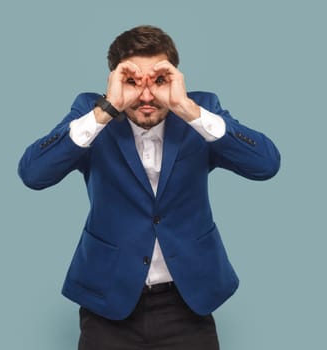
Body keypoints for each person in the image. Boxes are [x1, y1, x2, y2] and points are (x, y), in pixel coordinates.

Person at [18, 25, 280, 350]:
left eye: (158, 80)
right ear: (114, 79)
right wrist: (107, 109)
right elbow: (33, 173)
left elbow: (265, 164)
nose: (145, 96)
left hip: (187, 301)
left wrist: (187, 109)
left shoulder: (200, 108)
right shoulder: (92, 112)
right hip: (108, 301)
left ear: (175, 77)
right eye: (132, 81)